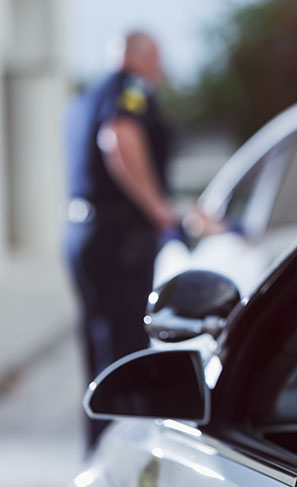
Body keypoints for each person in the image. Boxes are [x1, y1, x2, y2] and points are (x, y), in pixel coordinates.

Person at [63, 31, 177, 449]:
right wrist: (159, 209)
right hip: (118, 240)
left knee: (98, 350)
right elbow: (119, 137)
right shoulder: (129, 90)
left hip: (81, 233)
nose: (161, 70)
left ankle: (97, 450)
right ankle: (120, 463)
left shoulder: (85, 96)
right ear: (144, 57)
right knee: (125, 355)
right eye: (159, 59)